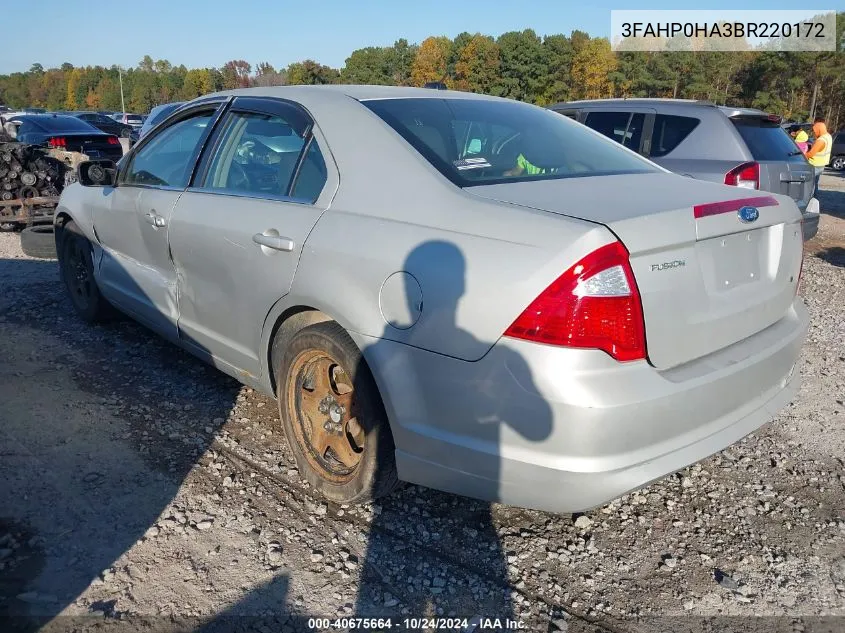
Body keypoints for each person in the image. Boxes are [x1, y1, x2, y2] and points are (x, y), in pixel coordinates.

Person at [803, 117, 833, 193]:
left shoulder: (821, 140)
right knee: (815, 184)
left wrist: (801, 156)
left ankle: (810, 199)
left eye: (815, 130)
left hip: (814, 165)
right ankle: (814, 197)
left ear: (818, 129)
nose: (814, 132)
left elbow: (810, 154)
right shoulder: (828, 136)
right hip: (821, 165)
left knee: (809, 185)